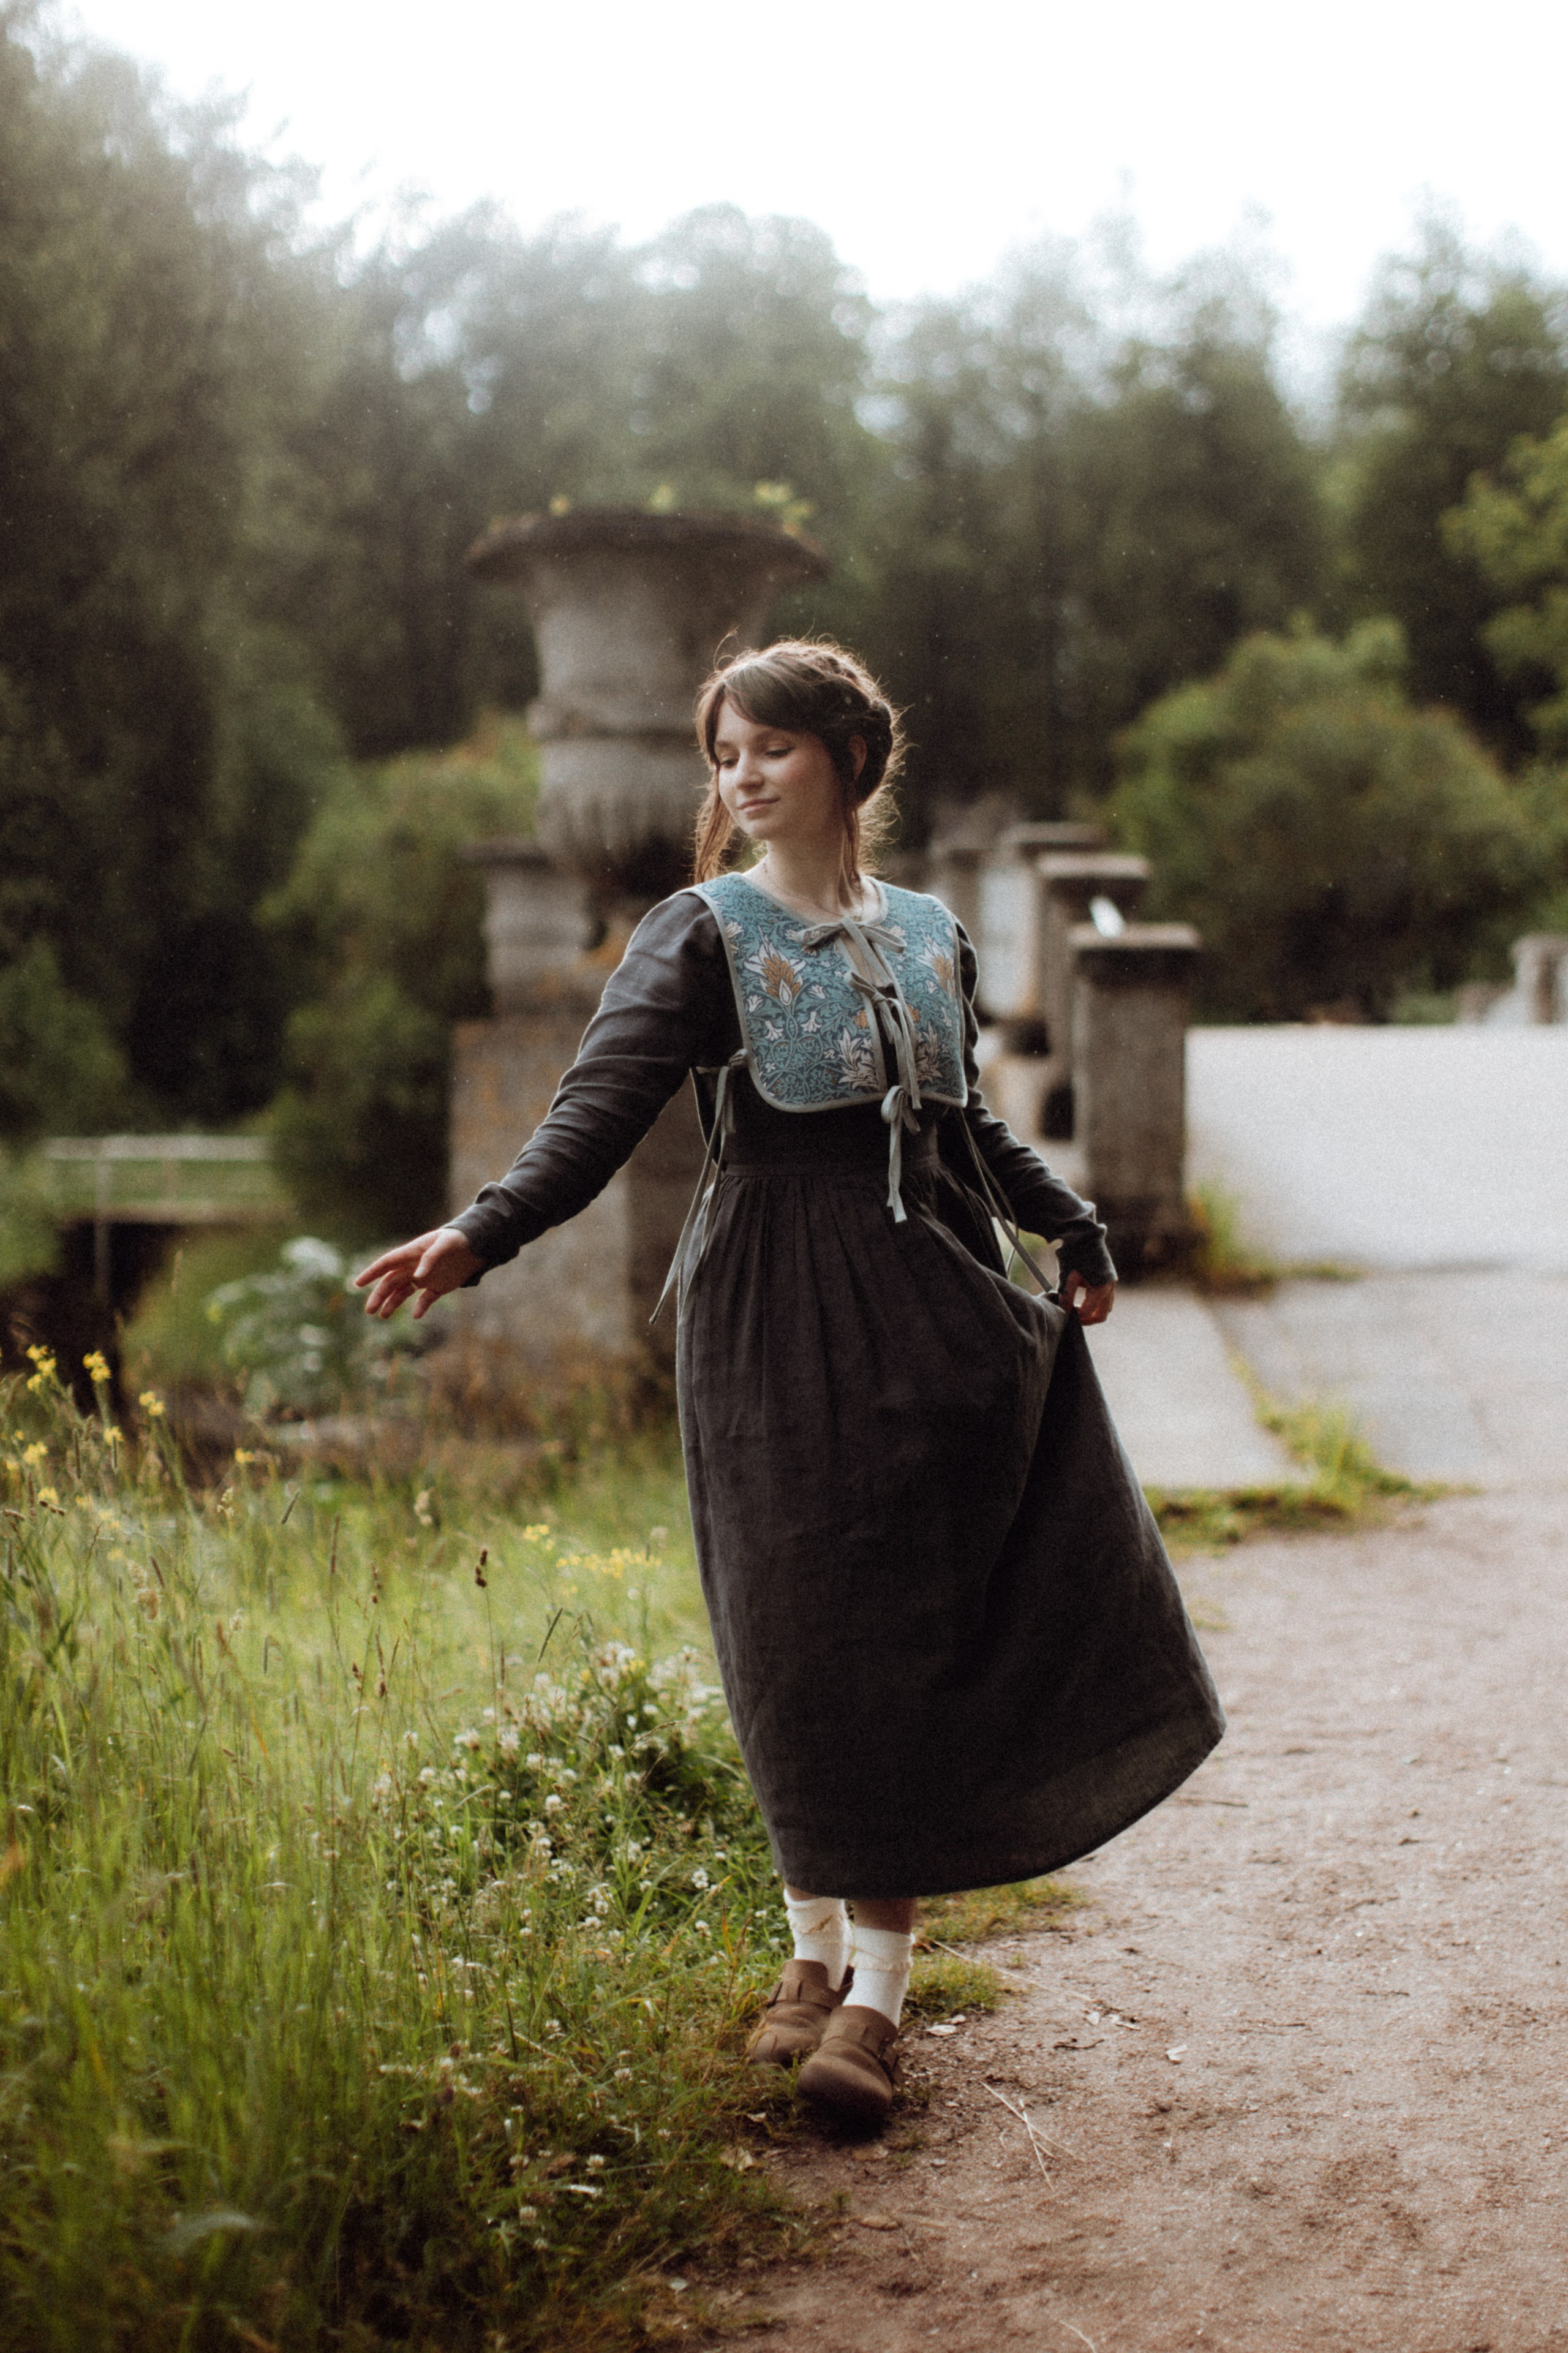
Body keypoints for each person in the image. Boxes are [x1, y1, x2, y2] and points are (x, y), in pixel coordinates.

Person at [357, 638, 1223, 2129]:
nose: (739, 776)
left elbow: (960, 1130)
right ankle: (811, 1950)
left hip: (935, 1317)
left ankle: (874, 1996)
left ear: (846, 761)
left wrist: (1069, 1224)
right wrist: (478, 1232)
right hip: (773, 1315)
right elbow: (596, 1113)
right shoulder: (700, 935)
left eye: (768, 748)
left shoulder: (932, 933)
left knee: (896, 1632)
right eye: (722, 754)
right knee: (789, 1621)